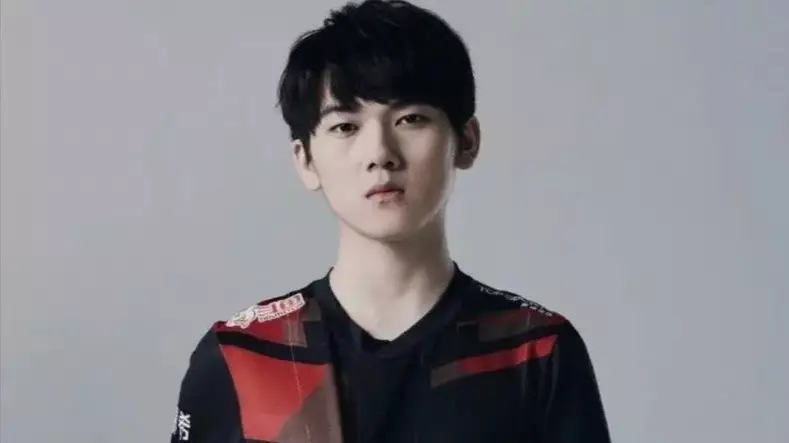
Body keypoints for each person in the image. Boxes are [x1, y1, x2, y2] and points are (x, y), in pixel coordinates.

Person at [169, 1, 611, 442]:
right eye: (345, 126)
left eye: (410, 119)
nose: (380, 153)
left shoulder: (534, 350)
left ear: (466, 140)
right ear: (305, 160)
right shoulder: (241, 356)